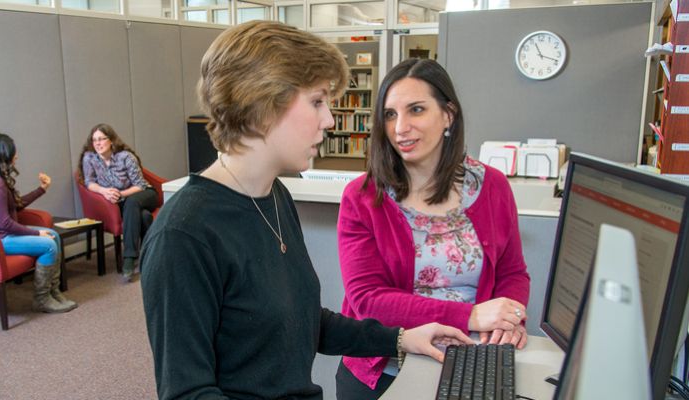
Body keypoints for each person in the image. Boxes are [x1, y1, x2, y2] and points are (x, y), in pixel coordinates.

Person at [140, 21, 472, 400]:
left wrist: (400, 338)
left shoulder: (274, 196)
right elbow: (188, 393)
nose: (329, 119)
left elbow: (302, 323)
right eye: (317, 101)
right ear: (262, 103)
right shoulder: (184, 235)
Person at [335, 58, 531, 398]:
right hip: (388, 369)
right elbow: (368, 301)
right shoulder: (363, 198)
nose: (400, 128)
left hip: (471, 365)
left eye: (416, 110)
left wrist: (509, 319)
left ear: (448, 115)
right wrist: (470, 315)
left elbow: (513, 272)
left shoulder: (492, 186)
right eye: (390, 114)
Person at [0, 133, 77, 313]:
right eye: (13, 151)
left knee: (54, 235)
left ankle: (52, 291)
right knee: (48, 244)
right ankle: (42, 298)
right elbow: (5, 223)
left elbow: (15, 206)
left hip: (0, 234)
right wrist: (37, 233)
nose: (16, 155)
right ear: (2, 154)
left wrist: (42, 189)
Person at [77, 123, 158, 281]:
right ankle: (149, 257)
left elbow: (140, 185)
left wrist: (120, 193)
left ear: (111, 140)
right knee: (144, 217)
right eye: (94, 140)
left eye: (101, 139)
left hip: (144, 194)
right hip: (121, 202)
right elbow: (89, 182)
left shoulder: (125, 157)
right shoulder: (90, 158)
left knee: (132, 203)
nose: (98, 143)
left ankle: (128, 258)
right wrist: (104, 191)